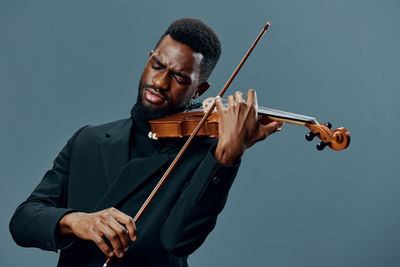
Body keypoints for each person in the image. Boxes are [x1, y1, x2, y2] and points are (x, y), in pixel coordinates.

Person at [10, 18, 283, 266]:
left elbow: (178, 240)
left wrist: (227, 155)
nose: (159, 82)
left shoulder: (205, 158)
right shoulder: (88, 139)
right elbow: (23, 221)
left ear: (199, 90)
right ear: (149, 59)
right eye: (157, 65)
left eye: (178, 77)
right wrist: (77, 221)